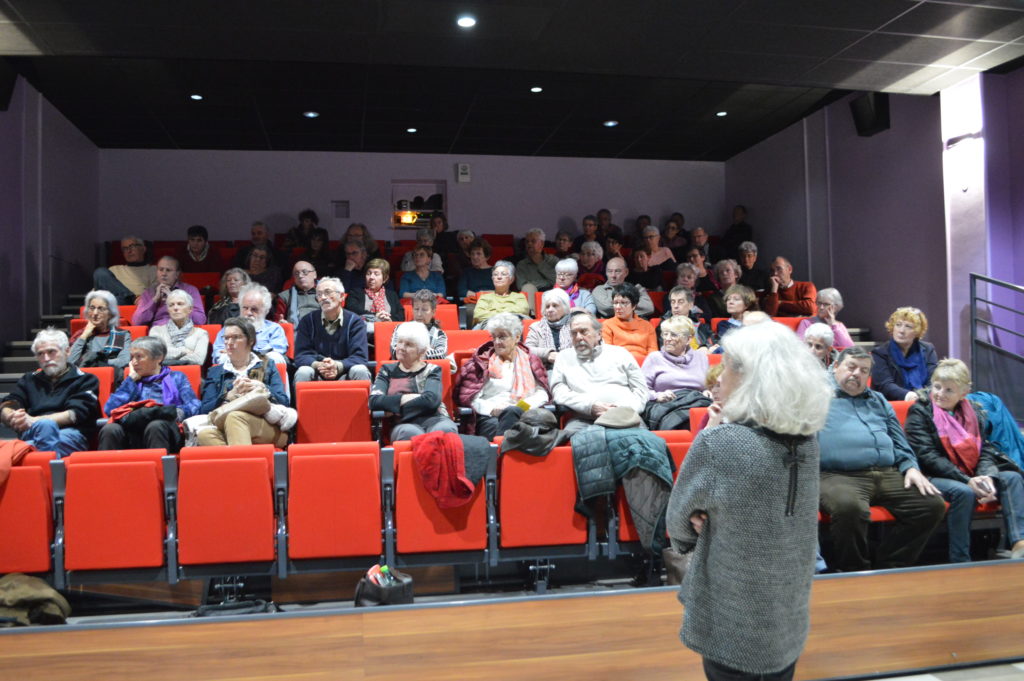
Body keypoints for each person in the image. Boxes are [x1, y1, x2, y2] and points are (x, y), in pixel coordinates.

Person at [666, 321, 832, 681]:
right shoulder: (809, 440)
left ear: (750, 376)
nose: (719, 376)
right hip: (787, 612)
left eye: (726, 365)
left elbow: (678, 524)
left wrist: (699, 521)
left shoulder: (721, 442)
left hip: (735, 612)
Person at [818, 346, 946, 572]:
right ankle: (853, 571)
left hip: (887, 473)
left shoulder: (878, 400)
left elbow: (899, 441)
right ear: (836, 367)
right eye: (851, 367)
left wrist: (911, 468)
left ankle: (890, 565)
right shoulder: (817, 397)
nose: (856, 373)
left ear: (869, 376)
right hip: (837, 475)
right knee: (849, 508)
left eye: (863, 370)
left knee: (931, 505)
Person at [904, 359, 1024, 562]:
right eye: (937, 387)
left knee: (1011, 477)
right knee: (964, 492)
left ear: (964, 392)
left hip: (969, 471)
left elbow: (984, 448)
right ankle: (960, 559)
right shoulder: (920, 411)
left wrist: (985, 476)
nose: (940, 393)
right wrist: (967, 479)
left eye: (949, 390)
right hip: (933, 474)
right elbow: (928, 457)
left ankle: (1019, 542)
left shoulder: (973, 411)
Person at [0, 328, 100, 457]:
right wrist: (12, 416)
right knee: (38, 437)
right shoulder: (29, 379)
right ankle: (48, 470)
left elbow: (74, 414)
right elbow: (10, 403)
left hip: (69, 434)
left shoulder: (85, 379)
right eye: (40, 354)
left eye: (51, 352)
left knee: (35, 438)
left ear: (67, 351)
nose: (46, 358)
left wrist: (34, 421)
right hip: (32, 433)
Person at [198, 317, 292, 448]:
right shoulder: (215, 372)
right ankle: (245, 462)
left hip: (267, 426)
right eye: (226, 338)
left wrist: (263, 388)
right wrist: (227, 396)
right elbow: (205, 409)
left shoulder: (267, 365)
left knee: (235, 417)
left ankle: (243, 462)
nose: (229, 342)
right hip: (226, 424)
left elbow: (284, 402)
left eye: (236, 337)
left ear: (251, 341)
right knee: (204, 434)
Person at [549, 310, 647, 434]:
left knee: (643, 444)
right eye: (574, 333)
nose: (578, 337)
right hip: (584, 419)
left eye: (584, 331)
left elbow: (641, 391)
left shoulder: (620, 353)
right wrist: (590, 406)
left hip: (625, 416)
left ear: (599, 334)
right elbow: (559, 392)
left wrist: (622, 409)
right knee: (571, 444)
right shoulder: (564, 357)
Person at [456, 313, 550, 439]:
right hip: (492, 417)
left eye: (502, 337)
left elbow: (542, 393)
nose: (497, 342)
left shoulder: (531, 360)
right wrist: (491, 409)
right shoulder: (482, 363)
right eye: (494, 337)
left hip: (526, 413)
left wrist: (520, 407)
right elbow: (470, 398)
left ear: (517, 337)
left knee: (516, 416)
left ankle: (502, 453)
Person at [97, 337, 200, 452]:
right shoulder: (131, 381)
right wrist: (131, 381)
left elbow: (194, 406)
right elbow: (109, 409)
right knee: (110, 429)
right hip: (133, 430)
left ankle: (159, 468)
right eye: (132, 357)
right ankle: (108, 469)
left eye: (139, 357)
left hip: (165, 430)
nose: (134, 362)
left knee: (155, 426)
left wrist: (170, 412)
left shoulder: (176, 377)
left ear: (158, 358)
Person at [369, 321, 457, 442]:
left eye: (409, 345)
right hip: (404, 423)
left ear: (421, 351)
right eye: (400, 342)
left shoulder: (432, 370)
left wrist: (394, 406)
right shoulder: (387, 371)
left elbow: (431, 401)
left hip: (435, 419)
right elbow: (374, 401)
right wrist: (413, 397)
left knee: (445, 431)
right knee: (412, 434)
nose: (401, 348)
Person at [294, 277, 372, 383]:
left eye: (328, 292)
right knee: (303, 372)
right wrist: (319, 365)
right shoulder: (307, 321)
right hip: (318, 373)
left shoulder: (355, 322)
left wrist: (337, 366)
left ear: (341, 296)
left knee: (360, 370)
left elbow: (360, 357)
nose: (323, 297)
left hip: (345, 373)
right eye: (319, 294)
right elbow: (301, 355)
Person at [871, 306, 938, 402]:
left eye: (908, 326)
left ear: (917, 331)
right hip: (893, 405)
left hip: (924, 402)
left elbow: (933, 381)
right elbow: (885, 385)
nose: (901, 331)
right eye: (898, 325)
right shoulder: (880, 353)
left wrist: (922, 396)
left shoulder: (928, 350)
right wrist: (909, 396)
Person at [212, 284, 288, 366]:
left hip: (264, 372)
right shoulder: (228, 329)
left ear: (265, 310)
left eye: (254, 309)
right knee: (224, 358)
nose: (248, 313)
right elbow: (217, 355)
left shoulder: (274, 329)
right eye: (245, 308)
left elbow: (277, 353)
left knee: (275, 357)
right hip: (235, 372)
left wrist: (240, 353)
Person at [642, 316, 709, 402]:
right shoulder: (655, 358)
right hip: (666, 405)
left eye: (673, 335)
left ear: (688, 339)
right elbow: (641, 390)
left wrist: (707, 392)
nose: (667, 339)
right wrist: (657, 396)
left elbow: (710, 387)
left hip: (697, 402)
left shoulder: (701, 357)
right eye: (665, 334)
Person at [68, 289, 131, 377]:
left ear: (111, 313)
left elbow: (124, 361)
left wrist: (97, 361)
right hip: (83, 379)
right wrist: (84, 335)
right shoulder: (80, 335)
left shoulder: (120, 335)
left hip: (111, 378)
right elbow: (69, 362)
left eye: (101, 309)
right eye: (92, 308)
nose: (95, 313)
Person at [130, 256, 206, 327]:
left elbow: (200, 320)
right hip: (158, 333)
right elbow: (137, 322)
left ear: (177, 274)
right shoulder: (149, 293)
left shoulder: (190, 290)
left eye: (168, 270)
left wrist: (174, 301)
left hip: (182, 330)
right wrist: (154, 300)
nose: (164, 274)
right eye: (161, 270)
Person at [148, 289, 210, 366]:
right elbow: (156, 354)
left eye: (180, 304)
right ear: (168, 310)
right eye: (171, 305)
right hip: (162, 376)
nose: (175, 308)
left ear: (190, 309)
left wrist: (168, 358)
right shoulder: (156, 331)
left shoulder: (201, 333)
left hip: (190, 375)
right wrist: (183, 351)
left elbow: (198, 360)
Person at [601, 283, 658, 365]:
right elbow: (607, 353)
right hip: (618, 365)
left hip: (644, 365)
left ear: (634, 306)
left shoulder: (647, 326)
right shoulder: (607, 325)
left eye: (623, 303)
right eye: (615, 302)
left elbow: (653, 353)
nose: (618, 307)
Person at [92, 235, 156, 305]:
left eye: (132, 246)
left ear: (143, 249)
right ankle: (132, 298)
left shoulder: (154, 269)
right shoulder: (114, 269)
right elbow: (95, 292)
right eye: (125, 248)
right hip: (116, 301)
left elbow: (155, 292)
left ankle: (131, 299)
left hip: (140, 304)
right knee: (100, 272)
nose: (129, 251)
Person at [344, 258, 405, 331]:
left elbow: (401, 315)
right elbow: (351, 309)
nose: (371, 277)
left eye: (376, 274)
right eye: (368, 273)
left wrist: (389, 320)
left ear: (385, 279)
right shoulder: (355, 293)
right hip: (363, 332)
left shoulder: (392, 295)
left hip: (389, 331)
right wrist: (375, 316)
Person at [390, 289, 447, 360]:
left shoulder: (439, 334)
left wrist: (409, 353)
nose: (419, 314)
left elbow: (441, 354)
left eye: (424, 309)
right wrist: (420, 353)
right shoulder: (400, 328)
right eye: (416, 309)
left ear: (433, 312)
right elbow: (394, 351)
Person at [472, 260, 530, 328]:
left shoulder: (519, 297)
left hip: (513, 327)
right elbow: (478, 315)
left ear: (511, 279)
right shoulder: (484, 298)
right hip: (490, 327)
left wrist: (494, 312)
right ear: (492, 278)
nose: (499, 277)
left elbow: (523, 310)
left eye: (503, 274)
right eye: (495, 274)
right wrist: (507, 314)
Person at [524, 287, 572, 368]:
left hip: (571, 367)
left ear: (565, 307)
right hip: (546, 370)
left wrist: (565, 357)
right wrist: (547, 354)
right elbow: (527, 350)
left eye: (555, 305)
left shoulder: (574, 325)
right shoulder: (536, 327)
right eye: (547, 306)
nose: (550, 309)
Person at [516, 228, 558, 312]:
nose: (529, 244)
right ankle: (532, 317)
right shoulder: (522, 265)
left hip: (553, 294)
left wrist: (540, 264)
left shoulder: (553, 261)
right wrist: (545, 283)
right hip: (533, 296)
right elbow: (521, 286)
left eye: (533, 241)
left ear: (541, 244)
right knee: (528, 287)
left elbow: (558, 281)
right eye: (527, 242)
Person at [273, 261, 320, 325]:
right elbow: (277, 322)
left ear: (315, 274)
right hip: (296, 331)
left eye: (305, 272)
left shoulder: (328, 292)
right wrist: (281, 323)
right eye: (296, 273)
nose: (300, 276)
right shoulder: (285, 296)